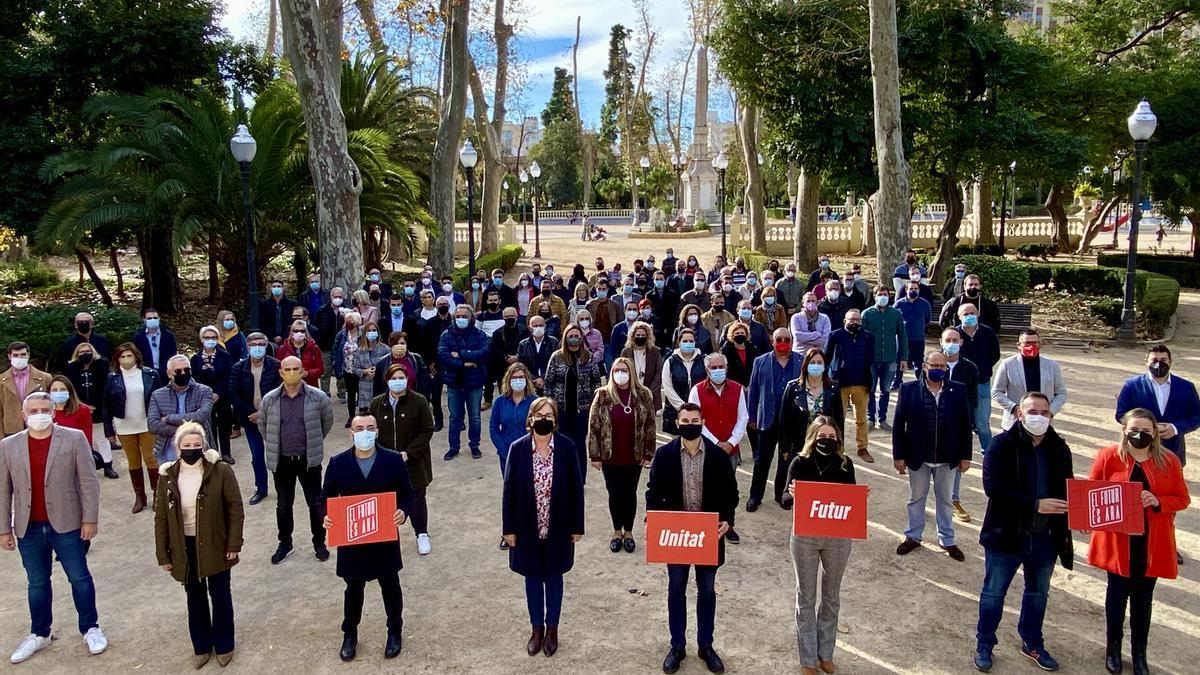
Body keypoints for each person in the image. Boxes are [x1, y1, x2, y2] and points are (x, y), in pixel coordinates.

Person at [1, 392, 107, 664]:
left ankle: (90, 627)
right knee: (37, 582)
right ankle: (39, 633)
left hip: (67, 522)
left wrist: (90, 519)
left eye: (44, 409)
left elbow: (88, 481)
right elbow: (3, 490)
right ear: (24, 415)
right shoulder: (8, 446)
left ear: (53, 412)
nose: (39, 415)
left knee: (79, 577)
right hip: (29, 527)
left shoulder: (73, 439)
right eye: (33, 410)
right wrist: (3, 529)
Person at [974, 392, 1075, 673]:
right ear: (1019, 413)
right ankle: (984, 643)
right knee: (994, 593)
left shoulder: (1059, 448)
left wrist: (1076, 513)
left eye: (1044, 412)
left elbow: (1069, 488)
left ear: (1051, 416)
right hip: (1005, 535)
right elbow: (993, 487)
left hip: (1045, 539)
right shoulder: (1001, 445)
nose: (1038, 417)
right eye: (1032, 411)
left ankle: (1032, 641)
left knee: (1038, 593)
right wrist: (1034, 505)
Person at [1088, 408, 1189, 675]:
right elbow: (1091, 493)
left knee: (1143, 601)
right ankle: (1113, 649)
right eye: (1134, 429)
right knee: (1116, 598)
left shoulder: (1169, 461)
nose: (1139, 435)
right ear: (1124, 430)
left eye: (1145, 431)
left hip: (1151, 543)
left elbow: (1182, 498)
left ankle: (1139, 653)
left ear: (1155, 433)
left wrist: (1158, 501)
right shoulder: (1109, 457)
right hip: (1118, 543)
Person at [647, 402, 738, 675]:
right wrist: (653, 515)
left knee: (707, 591)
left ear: (702, 422)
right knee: (676, 589)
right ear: (677, 424)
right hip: (676, 536)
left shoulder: (719, 458)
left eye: (694, 420)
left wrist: (727, 519)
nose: (689, 424)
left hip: (708, 536)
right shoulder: (664, 456)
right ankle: (677, 646)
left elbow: (731, 495)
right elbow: (653, 491)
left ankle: (705, 645)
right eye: (684, 420)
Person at [320, 412, 415, 663]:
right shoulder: (338, 462)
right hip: (353, 540)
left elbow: (408, 494)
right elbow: (325, 498)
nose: (365, 432)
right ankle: (349, 635)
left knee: (390, 586)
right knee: (353, 589)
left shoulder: (393, 460)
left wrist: (402, 512)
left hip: (384, 538)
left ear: (377, 431)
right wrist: (325, 516)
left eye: (370, 428)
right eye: (359, 428)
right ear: (351, 433)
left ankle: (395, 632)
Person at [153, 422, 243, 668]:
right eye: (187, 445)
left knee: (220, 594)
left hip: (216, 543)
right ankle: (201, 646)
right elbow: (160, 516)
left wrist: (234, 543)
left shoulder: (220, 471)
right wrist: (163, 554)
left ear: (204, 445)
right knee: (194, 596)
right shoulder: (167, 476)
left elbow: (235, 509)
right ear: (177, 447)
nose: (192, 449)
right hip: (184, 546)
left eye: (197, 445)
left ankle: (225, 644)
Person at [502, 397, 585, 658]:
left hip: (558, 526)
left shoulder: (567, 447)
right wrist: (509, 529)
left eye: (549, 415)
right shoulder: (517, 449)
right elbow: (509, 492)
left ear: (555, 420)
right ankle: (536, 629)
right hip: (527, 526)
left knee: (554, 577)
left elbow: (576, 489)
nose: (544, 419)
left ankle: (552, 630)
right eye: (539, 415)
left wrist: (577, 525)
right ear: (530, 419)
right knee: (533, 578)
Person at [787, 417, 859, 675]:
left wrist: (860, 498)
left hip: (837, 538)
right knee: (805, 598)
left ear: (837, 439)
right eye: (821, 436)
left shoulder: (845, 464)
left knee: (831, 597)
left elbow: (851, 497)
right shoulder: (799, 462)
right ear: (813, 437)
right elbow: (784, 497)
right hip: (805, 537)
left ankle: (825, 653)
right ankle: (808, 659)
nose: (826, 440)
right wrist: (792, 495)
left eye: (831, 436)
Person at [893, 351, 973, 562]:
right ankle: (913, 536)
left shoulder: (958, 390)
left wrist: (966, 456)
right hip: (918, 457)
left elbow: (966, 425)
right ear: (924, 366)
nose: (938, 369)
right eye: (934, 365)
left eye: (942, 366)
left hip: (948, 458)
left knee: (945, 499)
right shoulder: (908, 389)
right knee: (916, 498)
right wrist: (898, 456)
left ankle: (947, 539)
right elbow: (899, 425)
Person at [259, 356, 334, 564]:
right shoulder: (270, 399)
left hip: (308, 460)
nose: (292, 372)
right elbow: (264, 427)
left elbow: (326, 423)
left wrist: (314, 443)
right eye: (287, 369)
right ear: (281, 373)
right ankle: (285, 543)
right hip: (281, 461)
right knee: (283, 505)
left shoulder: (318, 398)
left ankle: (320, 543)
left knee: (316, 504)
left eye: (296, 368)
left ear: (302, 371)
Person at [588, 357, 656, 553]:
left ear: (631, 372)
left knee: (630, 493)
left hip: (634, 455)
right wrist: (595, 455)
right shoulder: (602, 395)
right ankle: (617, 531)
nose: (620, 374)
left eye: (624, 370)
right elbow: (594, 426)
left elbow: (651, 425)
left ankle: (629, 532)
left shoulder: (643, 395)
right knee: (614, 493)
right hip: (610, 456)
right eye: (617, 370)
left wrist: (649, 452)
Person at [368, 365, 434, 556]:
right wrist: (384, 454)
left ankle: (421, 533)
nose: (398, 381)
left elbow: (426, 430)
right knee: (387, 499)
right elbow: (372, 431)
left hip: (414, 462)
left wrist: (408, 453)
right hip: (386, 462)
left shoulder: (419, 401)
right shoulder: (377, 403)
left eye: (401, 377)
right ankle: (387, 537)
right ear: (387, 380)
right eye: (394, 377)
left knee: (416, 499)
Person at [686, 353, 747, 544]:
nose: (718, 370)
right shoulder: (697, 390)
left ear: (727, 368)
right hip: (706, 448)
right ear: (707, 370)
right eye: (714, 368)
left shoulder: (737, 390)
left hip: (731, 450)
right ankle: (705, 524)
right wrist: (715, 443)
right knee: (705, 486)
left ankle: (729, 524)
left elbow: (743, 418)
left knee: (728, 489)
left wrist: (731, 442)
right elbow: (694, 420)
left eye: (721, 367)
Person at [779, 350, 846, 509]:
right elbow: (784, 420)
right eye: (812, 362)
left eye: (819, 363)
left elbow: (838, 422)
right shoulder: (793, 387)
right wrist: (784, 446)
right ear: (806, 365)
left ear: (825, 366)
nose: (816, 366)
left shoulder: (833, 389)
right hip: (798, 443)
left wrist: (839, 445)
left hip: (824, 443)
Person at [1115, 345, 1200, 467]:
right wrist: (1146, 427)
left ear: (1170, 362)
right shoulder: (1132, 386)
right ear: (1146, 362)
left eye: (1163, 360)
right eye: (1154, 360)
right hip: (1138, 449)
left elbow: (1197, 416)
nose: (1159, 364)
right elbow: (1121, 414)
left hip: (1173, 448)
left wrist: (1175, 428)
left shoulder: (1186, 387)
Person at [747, 328, 804, 510]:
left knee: (786, 461)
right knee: (762, 460)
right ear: (772, 341)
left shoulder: (801, 362)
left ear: (792, 342)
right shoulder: (760, 362)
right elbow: (753, 390)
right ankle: (755, 496)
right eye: (779, 339)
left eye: (787, 339)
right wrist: (752, 416)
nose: (782, 342)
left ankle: (782, 494)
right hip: (767, 420)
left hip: (791, 422)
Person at [103, 343, 162, 513]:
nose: (127, 360)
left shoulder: (150, 374)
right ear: (117, 359)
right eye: (123, 356)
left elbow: (159, 398)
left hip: (146, 423)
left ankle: (157, 494)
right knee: (133, 460)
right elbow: (106, 405)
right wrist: (109, 431)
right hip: (124, 425)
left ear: (136, 356)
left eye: (130, 356)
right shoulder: (112, 378)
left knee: (151, 458)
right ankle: (139, 496)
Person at [543, 324, 601, 481]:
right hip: (560, 410)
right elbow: (548, 383)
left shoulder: (588, 357)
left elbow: (596, 383)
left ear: (581, 338)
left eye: (577, 335)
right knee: (560, 444)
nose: (574, 338)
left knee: (579, 445)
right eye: (571, 335)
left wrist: (592, 404)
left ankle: (579, 478)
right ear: (565, 337)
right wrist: (549, 407)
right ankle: (562, 477)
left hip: (581, 411)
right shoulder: (556, 357)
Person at [228, 333, 280, 505]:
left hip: (272, 417)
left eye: (261, 344)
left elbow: (280, 392)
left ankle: (282, 487)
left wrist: (263, 413)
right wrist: (251, 413)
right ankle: (262, 488)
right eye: (253, 344)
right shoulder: (238, 367)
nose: (257, 347)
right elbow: (233, 394)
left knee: (277, 454)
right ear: (248, 347)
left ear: (266, 345)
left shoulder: (275, 366)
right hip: (249, 419)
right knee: (257, 455)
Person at [438, 305, 490, 461]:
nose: (461, 319)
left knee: (474, 417)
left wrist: (460, 354)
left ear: (471, 318)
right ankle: (453, 447)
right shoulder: (447, 334)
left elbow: (484, 352)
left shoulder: (479, 334)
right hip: (454, 382)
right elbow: (443, 355)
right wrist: (463, 363)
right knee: (454, 417)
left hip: (474, 382)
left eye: (464, 316)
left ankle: (474, 446)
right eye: (458, 316)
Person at [940, 328, 981, 523]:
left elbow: (973, 398)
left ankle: (953, 499)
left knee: (955, 464)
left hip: (958, 422)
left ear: (961, 343)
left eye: (955, 340)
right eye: (948, 339)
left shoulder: (970, 368)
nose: (951, 343)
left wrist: (970, 421)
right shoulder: (933, 364)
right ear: (941, 341)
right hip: (934, 421)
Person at [992, 330, 1068, 433]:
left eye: (1034, 343)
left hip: (1043, 422)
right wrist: (1014, 408)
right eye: (1027, 343)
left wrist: (1049, 412)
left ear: (1039, 344)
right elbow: (996, 392)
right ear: (1019, 345)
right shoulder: (1007, 364)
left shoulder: (1052, 365)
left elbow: (1061, 393)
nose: (1031, 346)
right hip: (1014, 422)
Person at [825, 310, 875, 462]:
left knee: (861, 419)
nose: (854, 322)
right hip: (840, 383)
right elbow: (827, 357)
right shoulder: (835, 335)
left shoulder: (869, 337)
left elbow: (871, 359)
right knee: (838, 419)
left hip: (861, 382)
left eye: (857, 320)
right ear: (844, 321)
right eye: (851, 319)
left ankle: (862, 447)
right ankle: (838, 448)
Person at [147, 354, 214, 464]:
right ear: (169, 374)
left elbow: (202, 416)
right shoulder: (157, 395)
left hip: (199, 450)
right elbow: (153, 425)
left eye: (186, 370)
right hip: (168, 452)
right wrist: (185, 431)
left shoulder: (205, 391)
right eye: (178, 371)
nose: (183, 373)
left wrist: (168, 418)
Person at [956, 303, 1002, 456]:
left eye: (972, 313)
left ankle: (988, 454)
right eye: (965, 313)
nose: (969, 316)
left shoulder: (987, 333)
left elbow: (995, 354)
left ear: (978, 315)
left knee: (982, 423)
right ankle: (962, 453)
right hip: (960, 385)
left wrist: (984, 368)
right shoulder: (954, 335)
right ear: (959, 316)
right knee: (961, 422)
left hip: (982, 382)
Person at [65, 343, 116, 476]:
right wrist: (83, 405)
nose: (85, 354)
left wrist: (95, 405)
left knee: (101, 438)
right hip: (78, 408)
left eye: (88, 351)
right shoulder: (72, 369)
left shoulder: (101, 366)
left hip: (98, 408)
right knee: (80, 440)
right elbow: (71, 389)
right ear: (77, 354)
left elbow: (104, 387)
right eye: (81, 352)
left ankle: (107, 465)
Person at [861, 286, 908, 429]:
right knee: (870, 389)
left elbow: (902, 336)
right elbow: (861, 337)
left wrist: (904, 358)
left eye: (885, 294)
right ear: (874, 296)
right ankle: (870, 418)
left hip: (890, 359)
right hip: (871, 360)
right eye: (880, 294)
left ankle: (882, 419)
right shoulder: (867, 314)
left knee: (886, 390)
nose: (882, 297)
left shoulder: (896, 314)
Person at [192, 326, 235, 463]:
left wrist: (218, 393)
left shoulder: (225, 356)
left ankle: (226, 453)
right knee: (209, 426)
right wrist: (207, 394)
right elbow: (195, 379)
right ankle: (213, 453)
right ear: (201, 339)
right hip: (204, 398)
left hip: (222, 396)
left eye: (213, 337)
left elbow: (228, 376)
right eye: (207, 337)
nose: (210, 340)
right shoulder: (195, 359)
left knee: (224, 424)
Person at [408, 296, 450, 432]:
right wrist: (429, 362)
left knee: (455, 394)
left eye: (445, 304)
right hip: (435, 364)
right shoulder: (430, 323)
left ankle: (459, 420)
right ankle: (438, 420)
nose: (443, 306)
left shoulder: (455, 321)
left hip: (453, 363)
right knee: (435, 395)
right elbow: (424, 344)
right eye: (440, 304)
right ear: (436, 306)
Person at [490, 363, 535, 487]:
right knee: (511, 488)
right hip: (506, 452)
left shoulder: (535, 401)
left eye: (521, 377)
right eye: (514, 378)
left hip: (529, 453)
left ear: (527, 379)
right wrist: (503, 450)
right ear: (508, 380)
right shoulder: (499, 401)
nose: (518, 380)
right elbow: (493, 428)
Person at [662, 329, 707, 435]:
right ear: (679, 342)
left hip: (700, 411)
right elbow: (668, 388)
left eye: (691, 341)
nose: (688, 344)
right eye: (685, 341)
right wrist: (683, 407)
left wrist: (695, 408)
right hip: (675, 412)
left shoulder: (704, 360)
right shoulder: (670, 362)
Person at [1, 342, 51, 436]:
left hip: (39, 427)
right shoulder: (1, 381)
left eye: (23, 354)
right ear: (9, 356)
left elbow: (52, 405)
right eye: (15, 355)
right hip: (12, 430)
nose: (19, 358)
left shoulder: (45, 378)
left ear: (28, 355)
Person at [371, 332, 429, 399]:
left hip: (413, 401)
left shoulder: (416, 359)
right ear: (391, 345)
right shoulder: (382, 362)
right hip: (390, 403)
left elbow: (425, 384)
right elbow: (377, 388)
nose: (399, 345)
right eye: (396, 343)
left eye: (402, 343)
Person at [350, 323, 389, 421]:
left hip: (380, 386)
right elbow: (355, 368)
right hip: (365, 387)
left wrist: (379, 371)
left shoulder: (385, 349)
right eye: (369, 331)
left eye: (374, 330)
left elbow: (389, 366)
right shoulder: (359, 350)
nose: (372, 333)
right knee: (365, 417)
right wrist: (365, 371)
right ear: (365, 334)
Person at [895, 279, 932, 382]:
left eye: (915, 288)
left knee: (919, 362)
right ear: (906, 290)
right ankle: (897, 381)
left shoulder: (925, 304)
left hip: (918, 338)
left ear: (919, 290)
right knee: (899, 361)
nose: (913, 290)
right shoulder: (898, 304)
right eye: (911, 288)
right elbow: (894, 320)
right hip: (903, 339)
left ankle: (921, 382)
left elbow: (927, 319)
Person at [620, 321, 663, 408]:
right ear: (632, 336)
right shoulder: (626, 352)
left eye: (643, 335)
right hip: (631, 395)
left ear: (648, 337)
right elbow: (622, 370)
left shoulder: (655, 351)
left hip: (651, 395)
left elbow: (659, 373)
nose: (640, 337)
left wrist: (648, 392)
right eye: (638, 335)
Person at [518, 314, 560, 395]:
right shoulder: (523, 344)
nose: (538, 328)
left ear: (545, 326)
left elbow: (556, 363)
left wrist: (544, 378)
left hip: (550, 384)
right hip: (530, 385)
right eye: (535, 326)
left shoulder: (554, 342)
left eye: (541, 325)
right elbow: (521, 365)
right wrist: (534, 379)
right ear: (530, 328)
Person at [277, 319, 324, 388]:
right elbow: (278, 367)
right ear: (291, 332)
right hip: (289, 385)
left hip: (309, 386)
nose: (299, 333)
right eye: (296, 331)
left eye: (302, 331)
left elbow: (320, 369)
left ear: (306, 333)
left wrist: (308, 373)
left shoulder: (314, 348)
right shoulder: (283, 348)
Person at [719, 322, 759, 388]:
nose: (740, 335)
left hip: (751, 385)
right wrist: (739, 385)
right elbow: (726, 370)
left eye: (742, 333)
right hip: (733, 385)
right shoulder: (726, 350)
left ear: (746, 335)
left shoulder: (753, 349)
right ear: (732, 335)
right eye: (737, 333)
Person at [260, 279, 299, 346]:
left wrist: (283, 336)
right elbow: (263, 322)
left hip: (289, 338)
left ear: (283, 288)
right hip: (270, 339)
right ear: (271, 289)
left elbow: (293, 322)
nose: (276, 288)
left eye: (279, 286)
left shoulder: (292, 303)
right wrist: (273, 336)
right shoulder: (265, 304)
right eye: (274, 286)